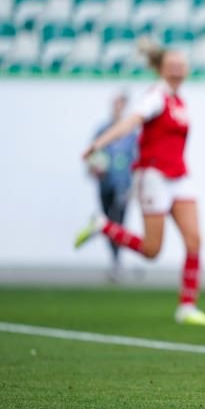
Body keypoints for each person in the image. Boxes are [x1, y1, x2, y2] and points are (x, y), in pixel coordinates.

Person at [73, 42, 205, 327]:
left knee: (194, 240)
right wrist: (99, 144)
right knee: (152, 251)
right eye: (172, 65)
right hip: (153, 176)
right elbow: (132, 121)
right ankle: (103, 225)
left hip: (178, 175)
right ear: (161, 69)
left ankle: (187, 307)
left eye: (181, 64)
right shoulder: (156, 97)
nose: (177, 69)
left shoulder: (178, 100)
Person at [87, 91, 138, 281]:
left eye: (121, 104)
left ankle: (118, 263)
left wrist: (135, 186)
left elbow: (136, 159)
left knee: (118, 221)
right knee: (108, 223)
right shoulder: (102, 130)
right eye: (115, 104)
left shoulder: (130, 133)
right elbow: (93, 155)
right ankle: (114, 260)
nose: (118, 107)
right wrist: (93, 167)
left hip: (122, 184)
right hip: (105, 183)